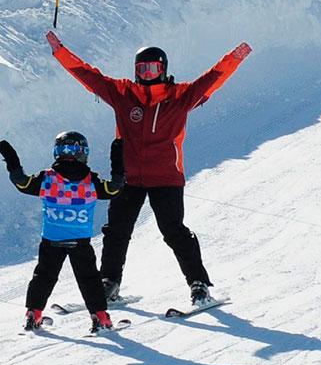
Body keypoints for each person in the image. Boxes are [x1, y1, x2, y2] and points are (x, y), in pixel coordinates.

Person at [47, 30, 252, 306]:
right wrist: (60, 52)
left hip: (166, 178)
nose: (146, 74)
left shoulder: (180, 96)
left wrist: (234, 58)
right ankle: (109, 282)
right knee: (116, 231)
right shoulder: (123, 93)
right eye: (141, 69)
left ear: (163, 69)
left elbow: (212, 79)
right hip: (128, 178)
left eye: (152, 68)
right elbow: (89, 77)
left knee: (174, 231)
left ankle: (199, 284)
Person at [0, 132, 124, 333]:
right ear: (83, 153)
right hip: (80, 241)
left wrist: (10, 157)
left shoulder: (48, 178)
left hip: (52, 240)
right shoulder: (90, 181)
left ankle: (33, 314)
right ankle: (100, 317)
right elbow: (114, 189)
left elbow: (22, 182)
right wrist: (118, 157)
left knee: (43, 277)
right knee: (89, 279)